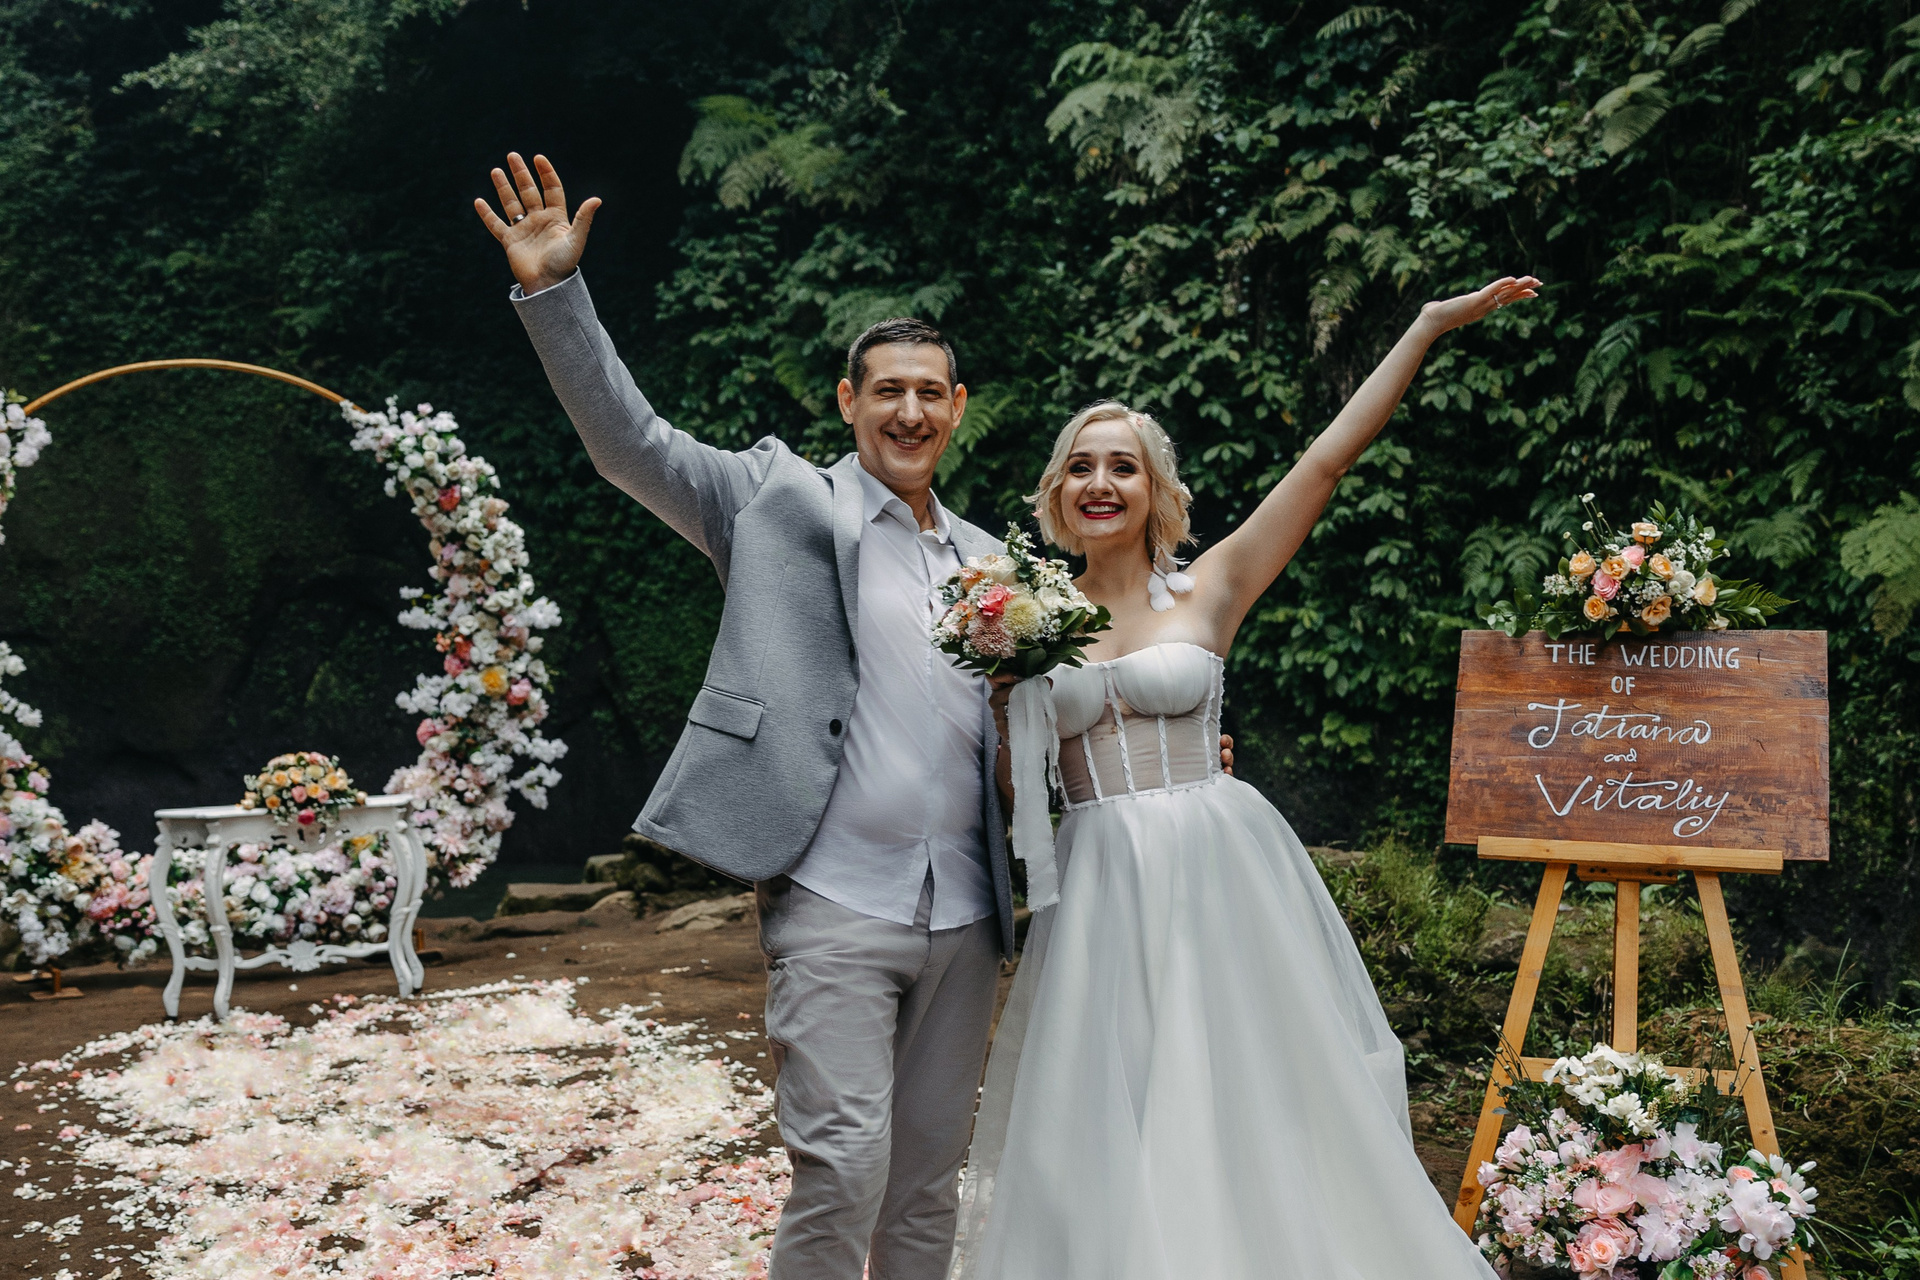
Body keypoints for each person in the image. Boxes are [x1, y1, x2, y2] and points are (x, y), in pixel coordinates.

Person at [472, 153, 1230, 1280]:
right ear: (849, 402)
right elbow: (631, 444)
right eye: (887, 391)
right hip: (834, 900)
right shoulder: (774, 501)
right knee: (840, 1168)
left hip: (968, 911)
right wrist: (555, 294)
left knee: (927, 1184)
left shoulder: (999, 566)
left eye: (930, 393)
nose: (908, 411)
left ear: (957, 409)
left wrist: (1174, 757)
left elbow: (1046, 723)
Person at [952, 276, 1541, 1280]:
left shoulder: (1211, 585)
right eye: (1081, 466)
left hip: (1216, 871)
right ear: (1056, 495)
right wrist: (1009, 697)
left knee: (1248, 1085)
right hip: (1100, 887)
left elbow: (1326, 461)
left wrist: (1427, 326)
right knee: (1107, 1104)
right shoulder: (1024, 621)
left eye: (1123, 466)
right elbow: (1016, 793)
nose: (1101, 482)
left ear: (1155, 490)